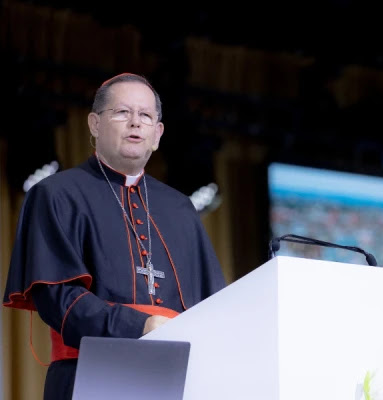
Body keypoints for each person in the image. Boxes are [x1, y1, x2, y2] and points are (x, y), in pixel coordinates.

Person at [3, 73, 226, 399]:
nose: (135, 123)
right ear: (94, 124)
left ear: (158, 134)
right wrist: (141, 327)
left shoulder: (181, 208)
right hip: (90, 376)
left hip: (179, 380)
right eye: (122, 112)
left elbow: (214, 308)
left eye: (146, 116)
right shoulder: (56, 194)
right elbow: (58, 299)